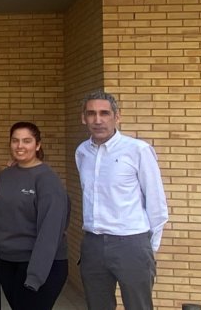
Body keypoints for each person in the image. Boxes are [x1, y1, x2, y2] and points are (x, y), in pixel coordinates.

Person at [76, 91, 169, 310]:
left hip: (131, 243)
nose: (98, 120)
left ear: (117, 117)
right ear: (84, 118)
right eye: (91, 114)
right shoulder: (82, 152)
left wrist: (146, 247)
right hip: (93, 243)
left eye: (104, 113)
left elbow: (156, 204)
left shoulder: (138, 150)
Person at [0, 122, 70, 310]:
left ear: (37, 145)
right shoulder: (6, 175)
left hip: (40, 266)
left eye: (27, 141)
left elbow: (50, 231)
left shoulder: (47, 179)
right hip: (8, 262)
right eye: (15, 141)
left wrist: (35, 277)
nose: (20, 146)